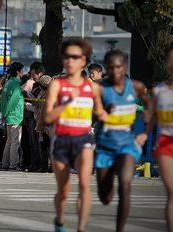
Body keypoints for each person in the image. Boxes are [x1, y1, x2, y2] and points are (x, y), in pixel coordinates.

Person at [44, 38, 106, 232]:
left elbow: (101, 112)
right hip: (62, 140)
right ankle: (60, 222)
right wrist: (66, 103)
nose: (69, 61)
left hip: (84, 139)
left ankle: (81, 228)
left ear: (84, 61)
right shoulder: (57, 85)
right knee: (64, 191)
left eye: (75, 57)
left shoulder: (93, 88)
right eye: (66, 57)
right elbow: (47, 117)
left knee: (85, 185)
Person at [94, 49, 151, 232]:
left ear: (124, 67)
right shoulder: (100, 88)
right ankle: (106, 184)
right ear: (106, 70)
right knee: (105, 197)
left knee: (125, 185)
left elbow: (150, 106)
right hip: (105, 146)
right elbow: (93, 112)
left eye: (118, 67)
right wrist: (102, 112)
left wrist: (146, 128)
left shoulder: (136, 87)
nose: (114, 72)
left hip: (126, 144)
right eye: (110, 68)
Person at [137, 45, 173, 232]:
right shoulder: (159, 91)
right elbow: (155, 117)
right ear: (166, 63)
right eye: (170, 60)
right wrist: (144, 133)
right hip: (166, 143)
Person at [0, 62, 25, 171]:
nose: (23, 72)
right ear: (18, 72)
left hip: (9, 116)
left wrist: (4, 114)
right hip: (15, 116)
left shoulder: (8, 83)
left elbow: (3, 100)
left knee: (9, 141)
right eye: (22, 70)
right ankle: (13, 164)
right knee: (15, 141)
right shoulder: (16, 85)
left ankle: (5, 163)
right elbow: (13, 102)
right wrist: (7, 113)